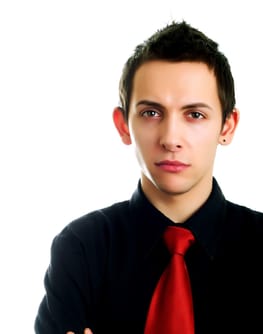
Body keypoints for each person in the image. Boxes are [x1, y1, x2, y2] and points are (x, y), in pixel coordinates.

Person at [34, 20, 263, 334]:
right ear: (123, 125)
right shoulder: (81, 249)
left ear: (227, 126)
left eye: (195, 114)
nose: (171, 139)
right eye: (151, 113)